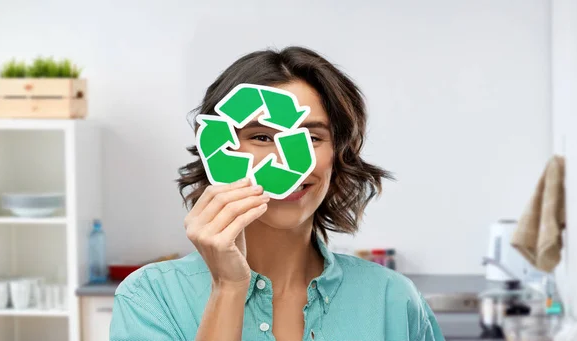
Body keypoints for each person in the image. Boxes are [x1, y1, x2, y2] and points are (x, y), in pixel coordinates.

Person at [109, 46, 444, 341]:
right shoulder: (150, 297)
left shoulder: (393, 300)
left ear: (339, 156)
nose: (287, 163)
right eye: (262, 137)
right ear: (217, 147)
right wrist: (228, 288)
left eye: (311, 138)